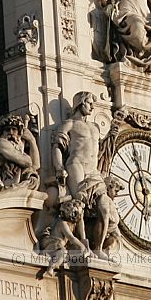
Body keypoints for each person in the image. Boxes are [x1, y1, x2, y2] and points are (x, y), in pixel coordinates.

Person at [51, 92, 118, 258]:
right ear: (80, 103)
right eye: (89, 103)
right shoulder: (70, 124)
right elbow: (57, 147)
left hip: (94, 171)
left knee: (104, 206)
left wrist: (112, 134)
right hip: (76, 165)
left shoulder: (95, 127)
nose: (92, 106)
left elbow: (101, 151)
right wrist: (59, 167)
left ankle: (99, 248)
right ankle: (82, 243)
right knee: (79, 204)